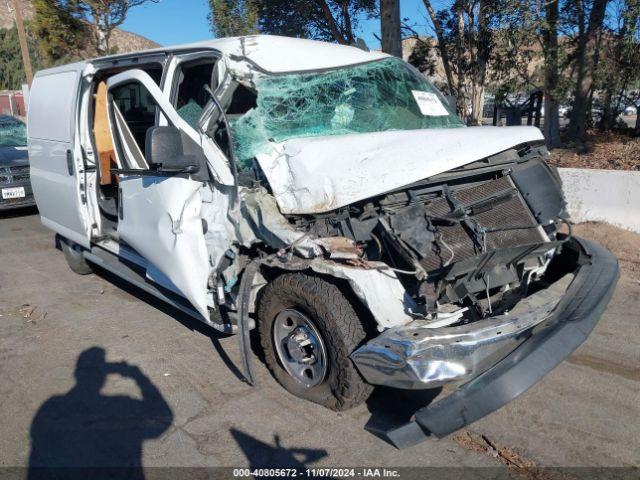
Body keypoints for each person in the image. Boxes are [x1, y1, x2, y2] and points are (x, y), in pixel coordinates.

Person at [28, 347, 173, 480]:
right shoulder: (123, 404)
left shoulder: (52, 406)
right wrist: (138, 375)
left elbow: (38, 455)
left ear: (77, 373)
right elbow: (163, 419)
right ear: (103, 377)